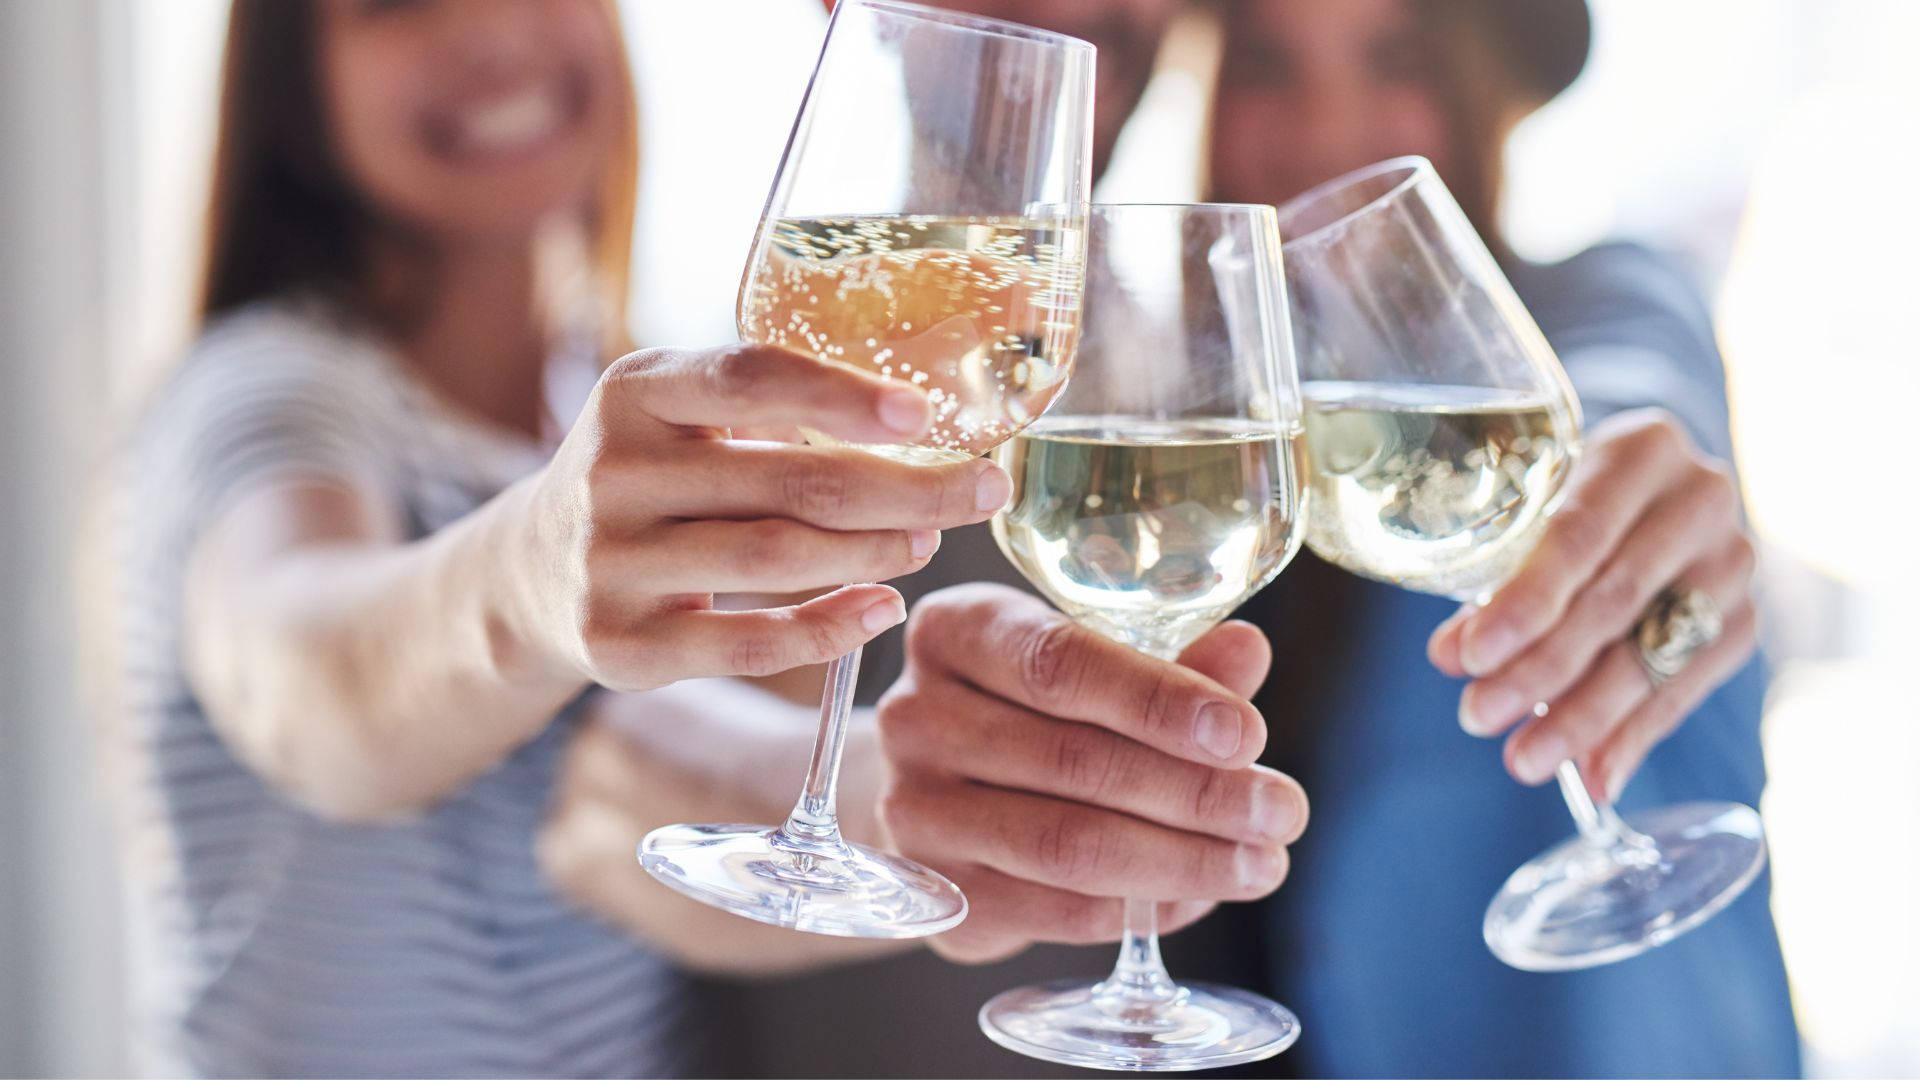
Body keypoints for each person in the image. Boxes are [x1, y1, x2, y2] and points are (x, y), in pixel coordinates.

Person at [576, 0, 1793, 1075]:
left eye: (1397, 52)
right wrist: (877, 792)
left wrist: (1651, 547)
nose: (1331, 123)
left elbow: (1634, 387)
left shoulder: (1593, 299)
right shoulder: (1153, 393)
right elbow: (609, 780)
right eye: (1268, 61)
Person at [109, 0, 1309, 1074]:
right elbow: (311, 688)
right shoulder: (273, 391)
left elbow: (614, 786)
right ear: (291, 78)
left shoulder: (603, 380)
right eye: (398, 3)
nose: (491, 30)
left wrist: (892, 793)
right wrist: (529, 574)